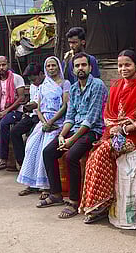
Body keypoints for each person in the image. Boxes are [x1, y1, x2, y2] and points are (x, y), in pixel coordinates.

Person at [80, 50, 136, 223]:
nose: (123, 68)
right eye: (120, 65)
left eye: (127, 64)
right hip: (114, 131)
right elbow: (107, 114)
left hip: (135, 136)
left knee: (102, 153)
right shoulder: (115, 86)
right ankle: (99, 202)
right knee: (93, 153)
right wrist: (115, 128)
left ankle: (101, 205)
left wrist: (124, 129)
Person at [38, 52, 107, 219]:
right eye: (77, 66)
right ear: (73, 69)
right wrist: (62, 136)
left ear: (90, 67)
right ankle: (55, 193)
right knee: (48, 152)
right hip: (74, 128)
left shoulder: (97, 85)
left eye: (83, 65)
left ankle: (74, 201)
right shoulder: (74, 88)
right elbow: (70, 116)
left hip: (93, 131)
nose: (80, 68)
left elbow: (91, 119)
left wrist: (70, 140)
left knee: (71, 156)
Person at [17, 57, 71, 196]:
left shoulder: (65, 84)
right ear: (45, 69)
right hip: (43, 122)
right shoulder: (43, 86)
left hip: (57, 123)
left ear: (58, 67)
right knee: (30, 146)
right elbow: (39, 108)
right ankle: (32, 183)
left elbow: (65, 106)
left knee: (45, 150)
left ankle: (46, 187)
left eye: (54, 65)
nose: (51, 68)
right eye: (48, 66)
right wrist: (43, 122)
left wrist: (51, 122)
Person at [10, 63, 45, 169]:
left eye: (34, 79)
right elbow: (32, 101)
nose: (33, 82)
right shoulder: (33, 86)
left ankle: (34, 165)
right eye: (31, 80)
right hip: (32, 115)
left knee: (32, 137)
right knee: (15, 131)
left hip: (43, 117)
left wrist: (34, 105)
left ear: (41, 74)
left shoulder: (48, 85)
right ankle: (22, 162)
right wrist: (28, 107)